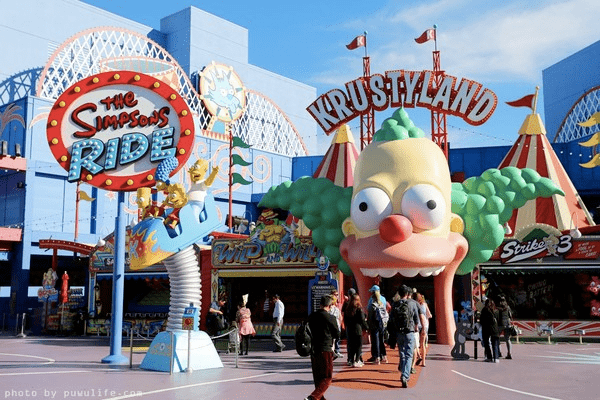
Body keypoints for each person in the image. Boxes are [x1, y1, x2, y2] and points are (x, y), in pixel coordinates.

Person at [304, 295, 340, 400]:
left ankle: (318, 398)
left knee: (318, 378)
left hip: (314, 349)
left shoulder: (312, 316)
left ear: (320, 304)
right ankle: (312, 397)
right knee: (327, 377)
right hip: (325, 349)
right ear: (330, 305)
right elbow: (337, 334)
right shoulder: (331, 318)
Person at [389, 285, 423, 388]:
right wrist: (418, 329)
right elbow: (416, 320)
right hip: (409, 332)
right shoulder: (412, 304)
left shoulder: (395, 304)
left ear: (399, 293)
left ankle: (403, 369)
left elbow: (391, 319)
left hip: (399, 332)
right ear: (407, 294)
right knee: (409, 354)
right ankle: (405, 375)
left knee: (402, 353)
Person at [343, 293, 368, 367]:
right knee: (358, 346)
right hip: (357, 329)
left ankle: (350, 360)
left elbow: (345, 320)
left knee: (350, 346)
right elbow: (362, 320)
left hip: (349, 329)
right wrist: (366, 327)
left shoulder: (347, 309)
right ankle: (357, 360)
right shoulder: (359, 309)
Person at [366, 285, 388, 364]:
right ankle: (384, 356)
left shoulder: (372, 301)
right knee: (381, 340)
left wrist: (368, 325)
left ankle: (376, 357)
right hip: (382, 322)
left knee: (375, 340)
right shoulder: (383, 299)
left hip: (374, 323)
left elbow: (369, 311)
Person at [480, 298, 501, 363]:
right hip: (495, 328)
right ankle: (496, 357)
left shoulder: (484, 310)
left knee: (486, 343)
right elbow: (498, 320)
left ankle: (489, 357)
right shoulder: (496, 310)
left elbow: (482, 320)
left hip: (486, 328)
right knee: (495, 343)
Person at [415, 292, 432, 367]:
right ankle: (423, 362)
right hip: (424, 325)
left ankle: (419, 356)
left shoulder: (415, 305)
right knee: (423, 344)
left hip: (416, 325)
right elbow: (429, 315)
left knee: (416, 344)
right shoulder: (424, 305)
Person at [497, 295, 513, 360]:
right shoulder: (508, 307)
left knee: (497, 338)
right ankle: (509, 353)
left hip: (500, 324)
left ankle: (499, 352)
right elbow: (510, 316)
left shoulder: (498, 308)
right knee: (507, 339)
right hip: (507, 324)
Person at [328, 289, 343, 359]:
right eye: (335, 295)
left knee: (336, 339)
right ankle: (333, 352)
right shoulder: (330, 307)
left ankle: (335, 351)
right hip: (332, 325)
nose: (337, 296)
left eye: (337, 295)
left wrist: (340, 323)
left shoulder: (337, 305)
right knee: (333, 340)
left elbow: (340, 316)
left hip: (337, 325)